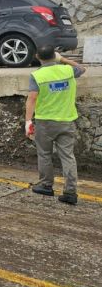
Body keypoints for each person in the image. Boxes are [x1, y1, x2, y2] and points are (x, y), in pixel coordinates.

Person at [25, 46, 86, 205]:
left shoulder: (37, 76)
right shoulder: (68, 71)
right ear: (55, 55)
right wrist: (63, 60)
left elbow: (31, 99)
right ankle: (70, 192)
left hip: (45, 123)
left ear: (38, 56)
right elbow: (82, 68)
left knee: (44, 154)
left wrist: (28, 121)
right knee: (67, 156)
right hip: (66, 121)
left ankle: (46, 186)